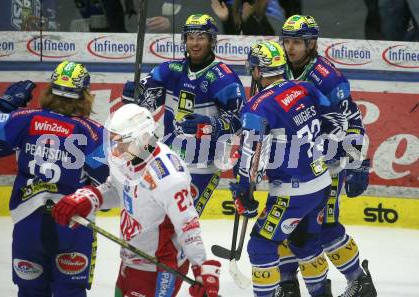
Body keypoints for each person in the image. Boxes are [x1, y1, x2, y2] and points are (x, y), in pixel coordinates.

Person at [51, 103, 222, 297]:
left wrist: (201, 269)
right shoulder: (126, 156)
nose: (117, 147)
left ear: (143, 137)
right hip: (131, 258)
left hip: (161, 267)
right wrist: (86, 199)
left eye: (122, 141)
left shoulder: (168, 175)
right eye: (114, 140)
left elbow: (188, 225)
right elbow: (116, 189)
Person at [0, 61, 109, 297]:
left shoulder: (24, 118)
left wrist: (6, 106)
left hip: (28, 224)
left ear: (50, 90)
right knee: (70, 292)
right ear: (86, 95)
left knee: (31, 292)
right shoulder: (93, 131)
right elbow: (106, 190)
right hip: (73, 224)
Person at [232, 40, 346, 297]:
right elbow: (335, 121)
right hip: (321, 183)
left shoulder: (258, 106)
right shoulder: (305, 88)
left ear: (258, 71)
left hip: (291, 193)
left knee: (261, 246)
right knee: (303, 242)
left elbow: (251, 155)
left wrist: (244, 191)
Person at [275, 15, 377, 297]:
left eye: (297, 42)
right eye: (287, 41)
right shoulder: (276, 69)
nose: (290, 48)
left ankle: (360, 283)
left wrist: (358, 164)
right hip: (289, 164)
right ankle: (287, 284)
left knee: (326, 228)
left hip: (327, 166)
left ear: (312, 43)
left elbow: (353, 120)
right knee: (283, 224)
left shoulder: (328, 77)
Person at [122, 13, 246, 216]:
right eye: (191, 37)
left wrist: (208, 124)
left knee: (183, 222)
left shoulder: (225, 79)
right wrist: (133, 95)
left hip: (203, 165)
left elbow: (238, 122)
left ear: (212, 40)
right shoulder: (170, 70)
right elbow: (146, 104)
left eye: (201, 37)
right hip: (169, 159)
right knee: (155, 219)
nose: (195, 43)